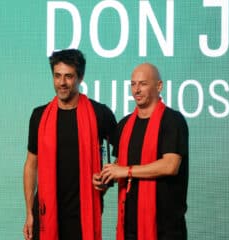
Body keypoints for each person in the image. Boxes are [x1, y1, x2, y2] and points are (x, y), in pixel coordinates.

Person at [23, 49, 117, 240]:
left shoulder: (100, 113)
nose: (62, 83)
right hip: (46, 211)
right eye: (57, 76)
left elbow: (122, 152)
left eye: (68, 76)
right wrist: (29, 212)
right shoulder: (39, 116)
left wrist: (107, 180)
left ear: (80, 77)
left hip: (83, 211)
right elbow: (31, 164)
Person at [93, 63, 189, 240]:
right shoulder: (124, 125)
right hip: (129, 227)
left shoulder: (173, 121)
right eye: (133, 84)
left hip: (166, 229)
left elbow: (170, 165)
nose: (136, 90)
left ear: (159, 86)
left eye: (143, 84)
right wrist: (104, 179)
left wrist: (126, 170)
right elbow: (119, 165)